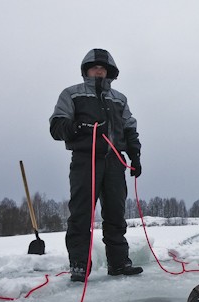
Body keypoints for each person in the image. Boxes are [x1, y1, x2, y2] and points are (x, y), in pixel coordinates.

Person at [49, 49, 143, 282]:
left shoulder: (119, 99)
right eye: (94, 66)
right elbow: (56, 126)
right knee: (81, 214)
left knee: (115, 214)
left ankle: (119, 263)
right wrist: (77, 127)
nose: (99, 70)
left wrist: (135, 156)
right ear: (86, 70)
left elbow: (130, 127)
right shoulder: (71, 94)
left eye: (103, 67)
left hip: (114, 162)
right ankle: (79, 265)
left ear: (109, 71)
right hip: (85, 160)